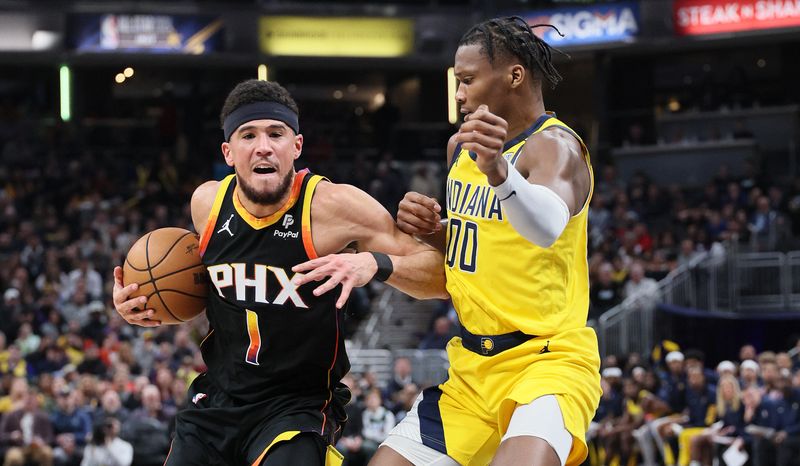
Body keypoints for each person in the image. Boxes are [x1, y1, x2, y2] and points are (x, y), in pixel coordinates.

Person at [112, 79, 445, 466]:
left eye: (276, 133)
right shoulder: (207, 204)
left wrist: (375, 263)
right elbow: (197, 289)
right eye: (248, 135)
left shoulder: (336, 207)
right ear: (229, 152)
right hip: (219, 399)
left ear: (297, 147)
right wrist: (140, 304)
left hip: (297, 405)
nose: (263, 145)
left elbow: (441, 277)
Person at [372, 16, 601, 466]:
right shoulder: (461, 148)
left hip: (546, 362)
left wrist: (498, 170)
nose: (458, 93)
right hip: (472, 370)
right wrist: (433, 231)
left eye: (468, 80)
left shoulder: (556, 148)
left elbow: (545, 227)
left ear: (514, 76)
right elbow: (479, 243)